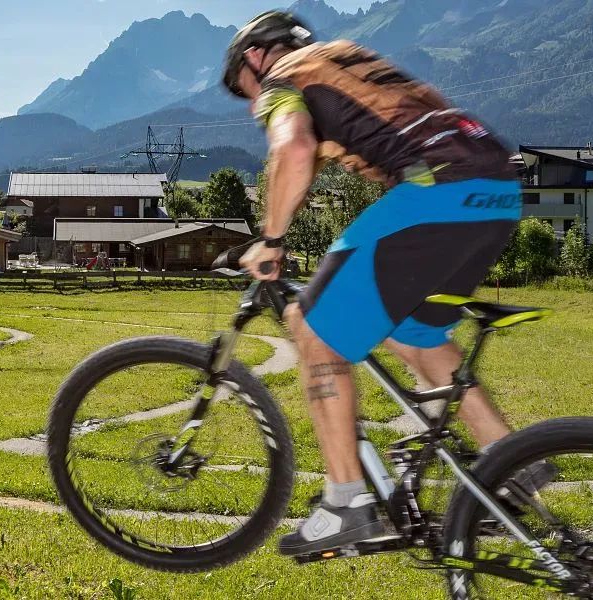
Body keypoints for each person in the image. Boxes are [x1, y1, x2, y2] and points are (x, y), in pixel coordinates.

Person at [222, 11, 551, 558]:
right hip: (496, 188)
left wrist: (271, 241)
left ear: (257, 56)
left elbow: (293, 150)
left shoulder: (283, 79)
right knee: (414, 333)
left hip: (435, 191)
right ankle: (512, 462)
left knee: (312, 325)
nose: (250, 102)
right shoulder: (346, 59)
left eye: (244, 88)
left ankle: (345, 503)